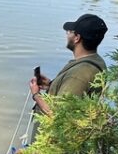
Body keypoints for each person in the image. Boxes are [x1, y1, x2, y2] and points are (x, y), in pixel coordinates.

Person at [25, 13, 108, 145]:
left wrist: (36, 94)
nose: (67, 35)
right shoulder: (96, 61)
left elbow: (59, 117)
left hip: (53, 148)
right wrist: (52, 85)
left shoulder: (79, 74)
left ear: (77, 38)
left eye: (70, 32)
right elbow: (75, 98)